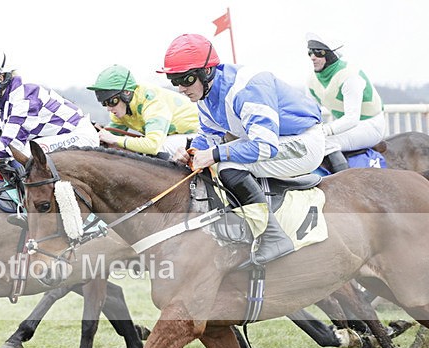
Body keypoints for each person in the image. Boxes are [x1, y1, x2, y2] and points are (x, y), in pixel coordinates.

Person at [159, 34, 325, 268]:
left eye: (185, 79)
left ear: (207, 72)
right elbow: (207, 137)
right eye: (174, 80)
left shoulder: (247, 89)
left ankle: (273, 236)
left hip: (302, 142)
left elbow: (265, 146)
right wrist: (192, 152)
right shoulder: (205, 96)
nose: (180, 89)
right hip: (272, 140)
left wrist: (216, 154)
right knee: (211, 162)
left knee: (226, 164)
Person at [0, 53, 99, 160]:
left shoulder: (24, 99)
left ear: (0, 78)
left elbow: (7, 149)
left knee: (24, 154)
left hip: (80, 136)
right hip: (54, 138)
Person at [305, 33, 386, 173]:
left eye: (318, 52)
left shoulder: (350, 76)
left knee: (327, 143)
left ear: (331, 55)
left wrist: (326, 130)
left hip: (370, 125)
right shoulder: (312, 80)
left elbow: (352, 118)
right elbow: (309, 113)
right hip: (348, 126)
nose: (313, 57)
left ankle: (347, 183)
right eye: (310, 52)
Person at [86, 64, 199, 158]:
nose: (109, 109)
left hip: (199, 135)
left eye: (112, 101)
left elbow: (152, 145)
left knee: (160, 148)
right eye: (104, 103)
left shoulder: (151, 101)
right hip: (174, 137)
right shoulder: (121, 110)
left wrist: (115, 139)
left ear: (126, 93)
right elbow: (108, 136)